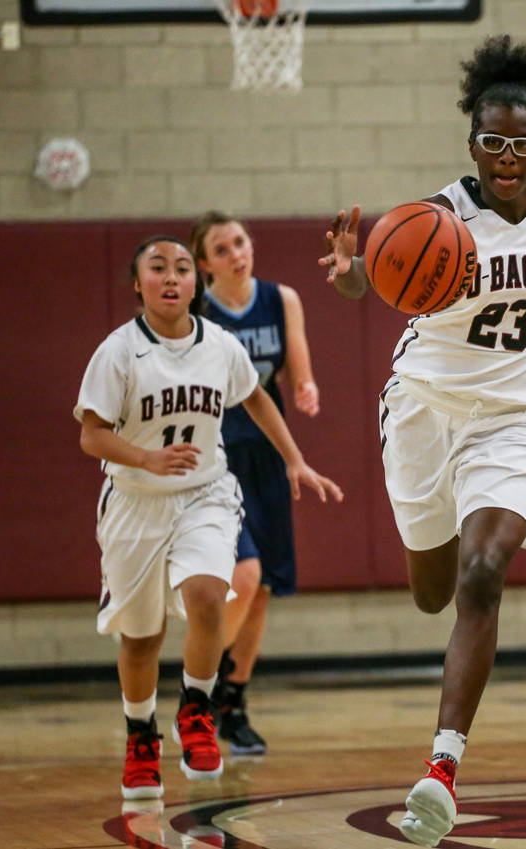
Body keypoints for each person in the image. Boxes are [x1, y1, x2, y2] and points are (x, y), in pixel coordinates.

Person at [319, 34, 526, 848]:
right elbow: (381, 277)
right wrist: (354, 275)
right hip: (425, 410)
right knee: (433, 590)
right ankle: (442, 734)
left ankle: (440, 767)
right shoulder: (435, 216)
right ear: (471, 143)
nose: (508, 157)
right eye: (494, 142)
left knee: (484, 571)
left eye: (523, 144)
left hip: (518, 417)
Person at [74, 236, 342, 801]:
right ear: (138, 283)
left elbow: (258, 396)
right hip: (135, 500)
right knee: (142, 637)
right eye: (157, 268)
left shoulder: (219, 344)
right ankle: (140, 735)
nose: (171, 278)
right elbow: (91, 433)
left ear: (196, 284)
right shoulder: (119, 351)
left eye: (181, 269)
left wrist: (295, 460)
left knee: (208, 593)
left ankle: (196, 706)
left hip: (206, 492)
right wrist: (145, 456)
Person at [190, 210, 320, 756]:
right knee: (241, 577)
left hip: (269, 451)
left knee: (263, 587)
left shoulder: (281, 298)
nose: (235, 254)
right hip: (217, 455)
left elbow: (296, 368)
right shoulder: (196, 310)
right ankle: (201, 690)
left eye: (239, 242)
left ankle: (233, 703)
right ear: (205, 264)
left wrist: (307, 388)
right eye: (221, 249)